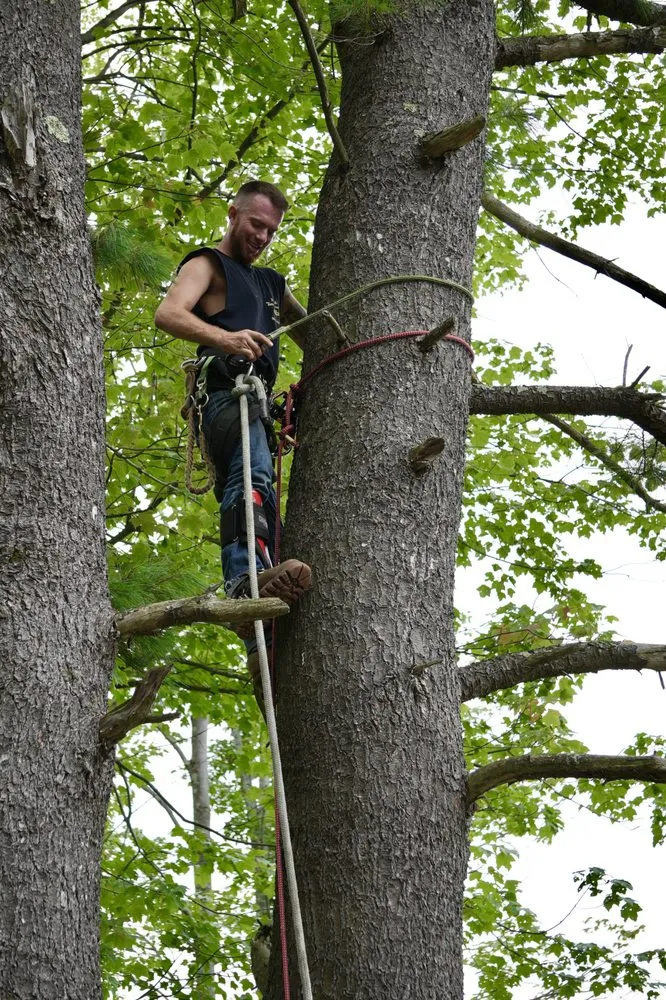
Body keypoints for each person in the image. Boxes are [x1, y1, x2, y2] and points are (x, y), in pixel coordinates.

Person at [154, 180, 312, 683]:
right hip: (226, 395)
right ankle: (243, 588)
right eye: (255, 224)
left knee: (261, 488)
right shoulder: (208, 265)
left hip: (256, 403)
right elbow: (169, 313)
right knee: (250, 478)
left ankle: (260, 634)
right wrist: (225, 337)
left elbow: (308, 328)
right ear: (232, 214)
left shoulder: (269, 282)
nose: (262, 236)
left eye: (271, 230)